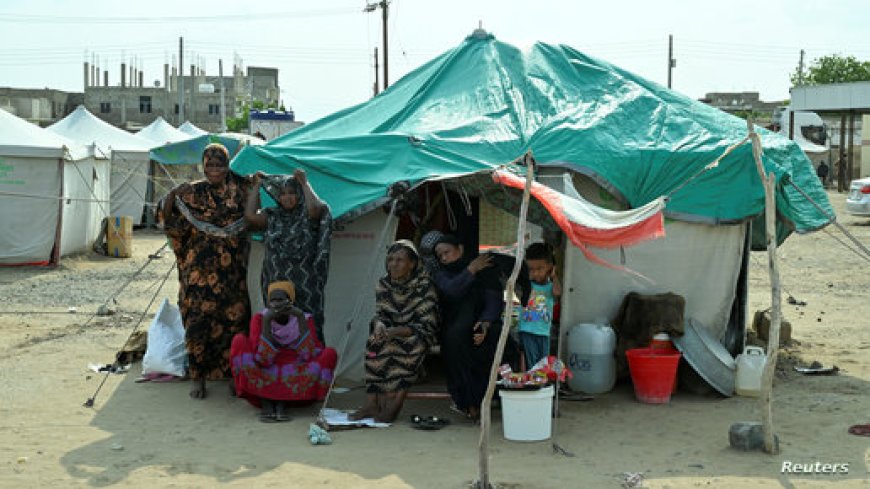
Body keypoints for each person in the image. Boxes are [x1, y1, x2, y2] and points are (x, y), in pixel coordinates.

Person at [160, 143, 251, 399]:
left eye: (219, 164)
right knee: (198, 324)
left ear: (227, 165)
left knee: (235, 322)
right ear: (203, 166)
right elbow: (167, 217)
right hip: (198, 271)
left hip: (232, 272)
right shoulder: (192, 192)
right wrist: (170, 196)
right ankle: (198, 378)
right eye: (210, 165)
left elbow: (256, 199)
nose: (214, 170)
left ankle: (233, 375)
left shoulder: (239, 190)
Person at [350, 240, 439, 423]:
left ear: (412, 263)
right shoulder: (384, 284)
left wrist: (395, 331)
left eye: (399, 260)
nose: (393, 264)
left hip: (419, 333)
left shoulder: (424, 285)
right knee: (374, 345)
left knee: (410, 349)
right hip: (392, 331)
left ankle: (395, 405)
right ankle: (371, 403)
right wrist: (380, 325)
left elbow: (427, 324)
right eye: (390, 259)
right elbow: (382, 313)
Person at [230, 281, 338, 422]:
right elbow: (263, 358)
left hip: (294, 362)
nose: (277, 304)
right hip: (268, 362)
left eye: (281, 300)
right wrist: (268, 320)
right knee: (238, 340)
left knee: (330, 353)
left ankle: (282, 403)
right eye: (272, 300)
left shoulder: (305, 318)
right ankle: (267, 403)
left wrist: (299, 317)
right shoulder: (260, 318)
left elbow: (307, 354)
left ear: (290, 301)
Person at [245, 168, 332, 342]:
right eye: (283, 193)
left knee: (309, 331)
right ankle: (282, 368)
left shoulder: (307, 215)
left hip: (305, 288)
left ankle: (311, 368)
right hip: (276, 286)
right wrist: (256, 187)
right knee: (277, 330)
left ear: (299, 194)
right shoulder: (272, 215)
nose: (287, 197)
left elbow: (316, 209)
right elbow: (250, 217)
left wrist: (304, 183)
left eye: (292, 193)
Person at [432, 234, 510, 421]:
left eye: (447, 252)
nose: (444, 258)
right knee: (455, 340)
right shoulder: (441, 274)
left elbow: (494, 301)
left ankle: (490, 397)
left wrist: (485, 323)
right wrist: (471, 270)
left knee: (496, 339)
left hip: (483, 323)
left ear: (460, 248)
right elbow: (451, 291)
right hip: (455, 324)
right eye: (440, 255)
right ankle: (468, 402)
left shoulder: (486, 271)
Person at [517, 242, 561, 368]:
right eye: (531, 269)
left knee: (544, 363)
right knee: (533, 364)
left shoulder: (551, 286)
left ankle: (541, 385)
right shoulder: (527, 284)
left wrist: (554, 276)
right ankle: (535, 385)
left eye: (540, 269)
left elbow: (558, 292)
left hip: (544, 332)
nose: (535, 273)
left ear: (549, 267)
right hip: (527, 330)